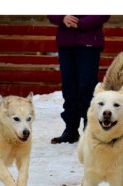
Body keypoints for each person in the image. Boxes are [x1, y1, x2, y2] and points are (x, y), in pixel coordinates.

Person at [47, 15, 110, 144]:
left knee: (87, 87)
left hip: (89, 42)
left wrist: (81, 24)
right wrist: (63, 18)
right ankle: (70, 130)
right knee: (69, 88)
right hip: (66, 43)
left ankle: (90, 130)